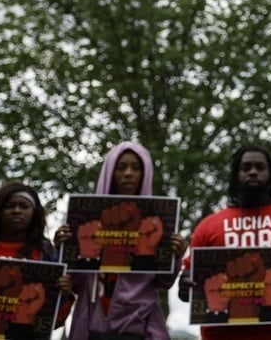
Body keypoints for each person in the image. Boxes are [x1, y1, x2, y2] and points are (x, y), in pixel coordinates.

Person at [178, 144, 271, 340]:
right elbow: (189, 276)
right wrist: (186, 286)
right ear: (236, 174)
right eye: (246, 167)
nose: (253, 172)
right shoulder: (207, 227)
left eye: (260, 167)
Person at [54, 141, 188, 340]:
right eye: (121, 167)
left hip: (141, 329)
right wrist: (63, 249)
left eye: (136, 168)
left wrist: (175, 256)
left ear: (145, 174)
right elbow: (75, 281)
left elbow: (164, 281)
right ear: (110, 172)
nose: (128, 173)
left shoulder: (156, 224)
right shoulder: (86, 223)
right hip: (91, 327)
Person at [0, 181, 69, 339]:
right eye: (10, 206)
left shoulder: (46, 254)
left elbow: (54, 319)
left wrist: (64, 293)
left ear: (34, 213)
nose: (16, 211)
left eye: (24, 206)